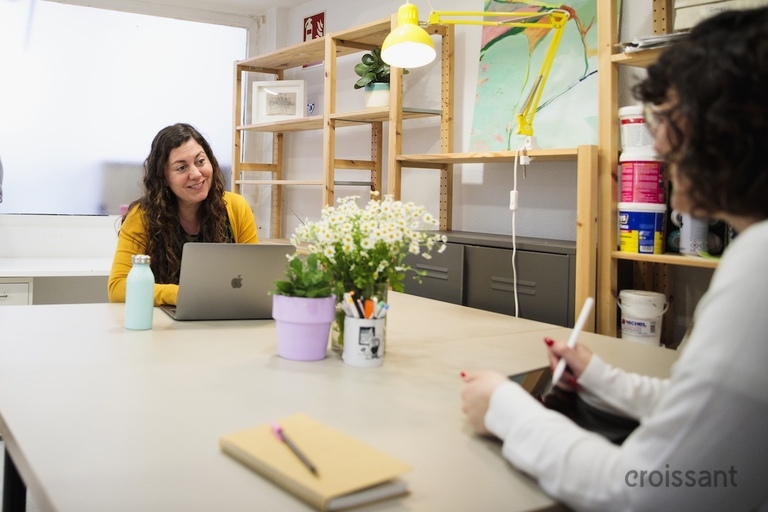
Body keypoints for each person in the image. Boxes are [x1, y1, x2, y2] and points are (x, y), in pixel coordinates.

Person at [460, 7, 768, 511]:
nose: (658, 143)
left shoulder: (760, 264)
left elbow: (642, 493)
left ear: (731, 125)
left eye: (666, 117)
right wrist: (601, 377)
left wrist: (504, 408)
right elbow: (709, 414)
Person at [108, 123, 258, 306]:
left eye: (200, 161)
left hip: (224, 316)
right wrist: (179, 295)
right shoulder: (142, 216)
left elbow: (255, 278)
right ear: (163, 178)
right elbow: (118, 287)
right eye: (181, 168)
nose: (195, 174)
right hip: (163, 320)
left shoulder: (236, 207)